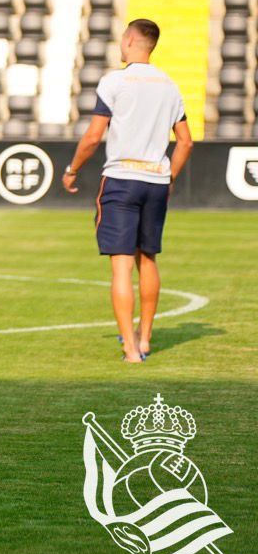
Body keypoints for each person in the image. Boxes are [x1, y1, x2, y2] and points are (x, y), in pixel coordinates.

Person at [62, 18, 193, 364]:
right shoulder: (170, 85)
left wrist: (72, 170)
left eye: (123, 39)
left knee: (121, 267)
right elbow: (185, 141)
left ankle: (130, 350)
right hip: (155, 180)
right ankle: (145, 338)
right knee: (147, 259)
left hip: (121, 179)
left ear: (132, 40)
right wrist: (170, 176)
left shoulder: (115, 80)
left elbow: (93, 136)